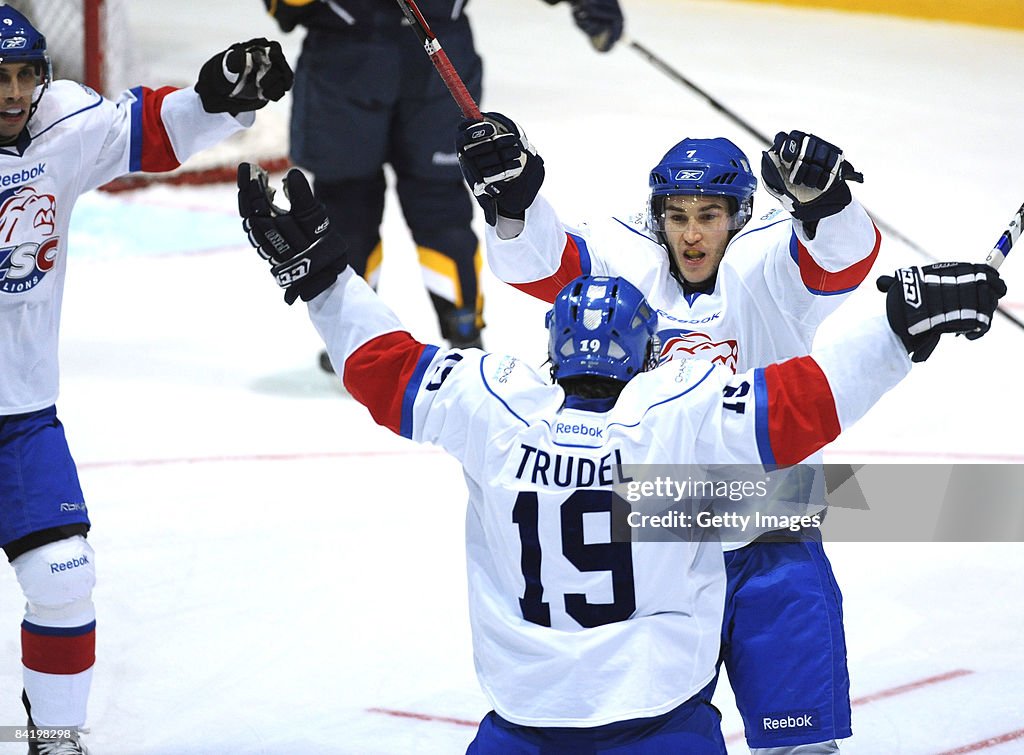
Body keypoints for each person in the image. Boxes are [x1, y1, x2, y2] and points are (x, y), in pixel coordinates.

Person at [236, 162, 1005, 753]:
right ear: (643, 353)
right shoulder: (677, 411)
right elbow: (807, 402)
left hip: (522, 722)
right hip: (659, 722)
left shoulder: (492, 406)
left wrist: (325, 279)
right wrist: (905, 323)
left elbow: (386, 368)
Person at [454, 112, 899, 753]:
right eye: (678, 215)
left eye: (709, 216)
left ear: (740, 215)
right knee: (644, 729)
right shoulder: (626, 255)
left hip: (767, 538)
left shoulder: (771, 260)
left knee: (799, 744)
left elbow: (840, 259)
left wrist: (828, 201)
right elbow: (541, 265)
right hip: (653, 550)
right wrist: (514, 200)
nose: (691, 235)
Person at [0, 7, 293, 753]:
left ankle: (56, 735)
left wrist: (223, 95)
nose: (12, 93)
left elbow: (149, 131)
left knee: (64, 576)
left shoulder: (59, 127)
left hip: (22, 415)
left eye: (24, 75)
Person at [260, 0, 624, 372]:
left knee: (394, 203)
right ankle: (426, 331)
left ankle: (398, 335)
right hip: (388, 60)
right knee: (386, 204)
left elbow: (286, 10)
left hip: (381, 60)